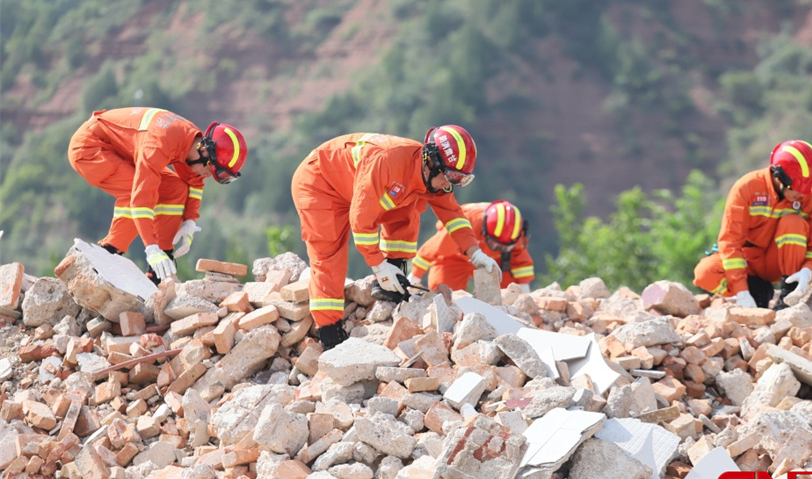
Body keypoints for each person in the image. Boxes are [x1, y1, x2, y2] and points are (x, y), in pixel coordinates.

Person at [291, 126, 500, 350]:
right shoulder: (388, 163)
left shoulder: (431, 174)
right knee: (329, 253)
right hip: (320, 183)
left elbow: (453, 214)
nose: (449, 185)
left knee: (409, 207)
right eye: (450, 177)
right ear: (431, 162)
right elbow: (362, 221)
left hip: (357, 186)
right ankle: (329, 330)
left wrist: (475, 253)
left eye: (459, 179)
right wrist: (378, 267)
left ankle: (393, 279)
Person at [68, 107, 247, 283]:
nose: (207, 176)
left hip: (120, 150)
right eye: (209, 170)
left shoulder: (192, 141)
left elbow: (193, 182)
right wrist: (151, 249)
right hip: (89, 148)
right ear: (205, 152)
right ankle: (108, 255)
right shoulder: (159, 144)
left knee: (176, 188)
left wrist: (190, 220)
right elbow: (141, 200)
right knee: (136, 189)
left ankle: (159, 270)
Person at [694, 140, 812, 309]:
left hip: (780, 262)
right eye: (797, 189)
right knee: (704, 273)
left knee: (793, 223)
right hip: (747, 260)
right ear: (780, 178)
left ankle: (788, 298)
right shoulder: (747, 188)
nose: (802, 195)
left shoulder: (809, 195)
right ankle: (757, 291)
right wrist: (742, 291)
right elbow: (730, 242)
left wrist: (807, 270)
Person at [409, 200, 534, 292]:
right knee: (445, 296)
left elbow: (521, 261)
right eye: (495, 244)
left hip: (491, 260)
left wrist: (524, 293)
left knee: (509, 293)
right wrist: (414, 278)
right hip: (454, 257)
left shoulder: (513, 232)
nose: (499, 247)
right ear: (485, 231)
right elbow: (430, 250)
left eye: (504, 246)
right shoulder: (464, 224)